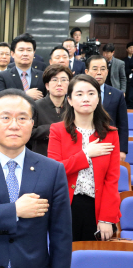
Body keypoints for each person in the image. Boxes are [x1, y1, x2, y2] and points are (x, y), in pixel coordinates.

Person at [0, 88, 72, 267]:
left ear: (32, 124)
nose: (14, 125)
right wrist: (14, 211)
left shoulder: (53, 170)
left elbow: (61, 235)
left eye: (22, 118)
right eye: (5, 117)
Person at [48, 74, 120, 241]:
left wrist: (106, 218)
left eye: (91, 93)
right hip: (66, 205)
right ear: (70, 100)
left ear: (98, 98)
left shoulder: (110, 134)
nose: (85, 98)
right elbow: (55, 170)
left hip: (97, 207)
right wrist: (86, 154)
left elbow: (112, 180)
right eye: (79, 94)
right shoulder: (57, 130)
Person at [85, 55, 128, 162]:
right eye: (95, 69)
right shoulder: (79, 93)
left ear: (107, 72)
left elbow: (123, 124)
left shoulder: (117, 95)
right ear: (86, 71)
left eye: (103, 69)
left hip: (109, 145)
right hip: (84, 144)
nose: (99, 72)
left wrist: (122, 150)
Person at [31, 65, 72, 156]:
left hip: (68, 155)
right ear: (47, 86)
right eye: (54, 80)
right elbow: (29, 132)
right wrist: (53, 129)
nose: (59, 84)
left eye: (64, 80)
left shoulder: (73, 107)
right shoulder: (35, 106)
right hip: (42, 155)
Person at [0, 33, 45, 100]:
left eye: (29, 50)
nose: (25, 54)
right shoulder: (3, 76)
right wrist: (25, 94)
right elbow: (0, 99)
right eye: (21, 50)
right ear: (13, 54)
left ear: (34, 53)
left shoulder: (42, 76)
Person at [124, 42, 133, 108]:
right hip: (126, 81)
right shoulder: (124, 60)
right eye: (130, 47)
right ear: (127, 49)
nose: (132, 49)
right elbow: (123, 71)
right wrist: (130, 70)